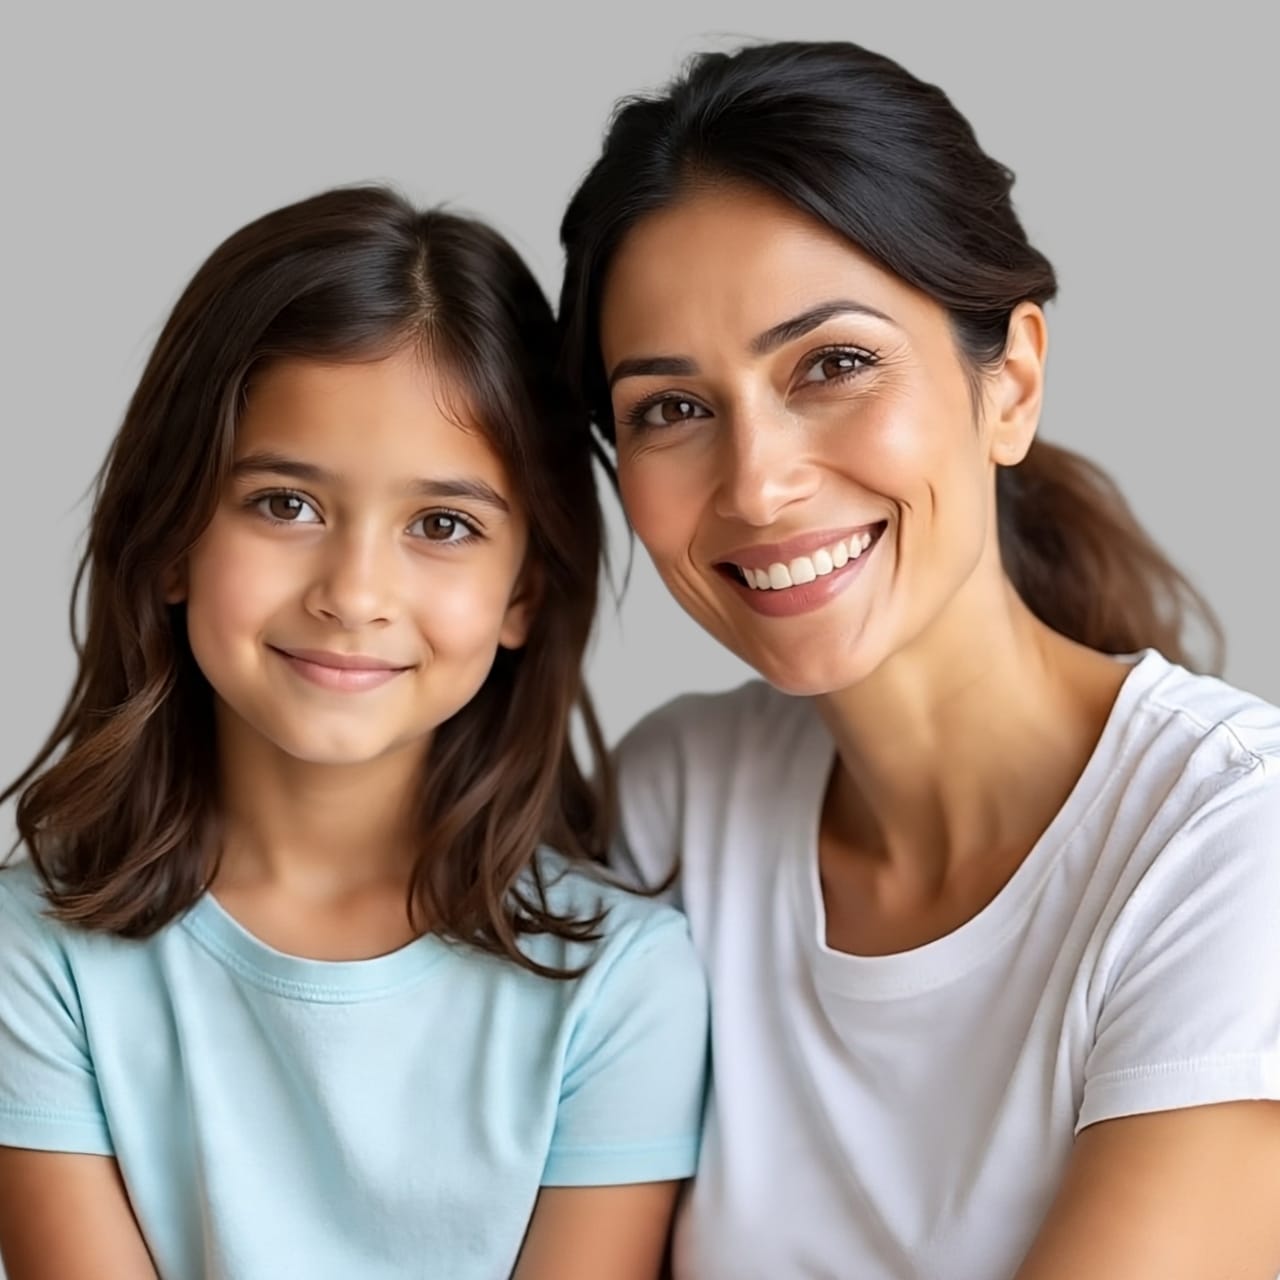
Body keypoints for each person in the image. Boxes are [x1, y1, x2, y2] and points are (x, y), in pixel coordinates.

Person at [558, 40, 1280, 1280]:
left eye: (831, 365)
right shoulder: (676, 800)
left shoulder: (1225, 842)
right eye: (670, 408)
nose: (757, 482)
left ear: (1009, 383)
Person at [0, 185, 707, 1280]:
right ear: (172, 534)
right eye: (285, 503)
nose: (354, 591)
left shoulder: (619, 982)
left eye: (442, 524)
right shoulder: (36, 953)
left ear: (524, 590)